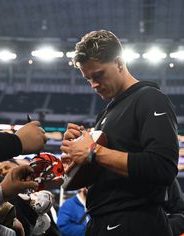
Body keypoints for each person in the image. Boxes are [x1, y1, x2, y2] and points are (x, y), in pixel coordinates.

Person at [60, 30, 179, 236]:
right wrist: (74, 158)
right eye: (88, 79)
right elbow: (94, 176)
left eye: (98, 75)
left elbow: (163, 167)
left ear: (119, 63)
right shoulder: (105, 113)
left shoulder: (150, 98)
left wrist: (92, 152)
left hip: (134, 221)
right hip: (99, 221)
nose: (94, 85)